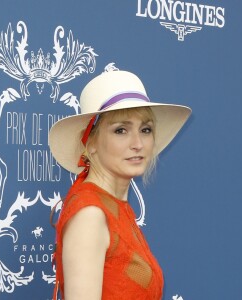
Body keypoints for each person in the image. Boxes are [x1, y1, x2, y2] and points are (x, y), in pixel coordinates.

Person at [49, 68, 191, 300]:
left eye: (145, 130)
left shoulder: (113, 207)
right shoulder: (91, 214)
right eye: (121, 130)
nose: (137, 143)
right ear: (90, 141)